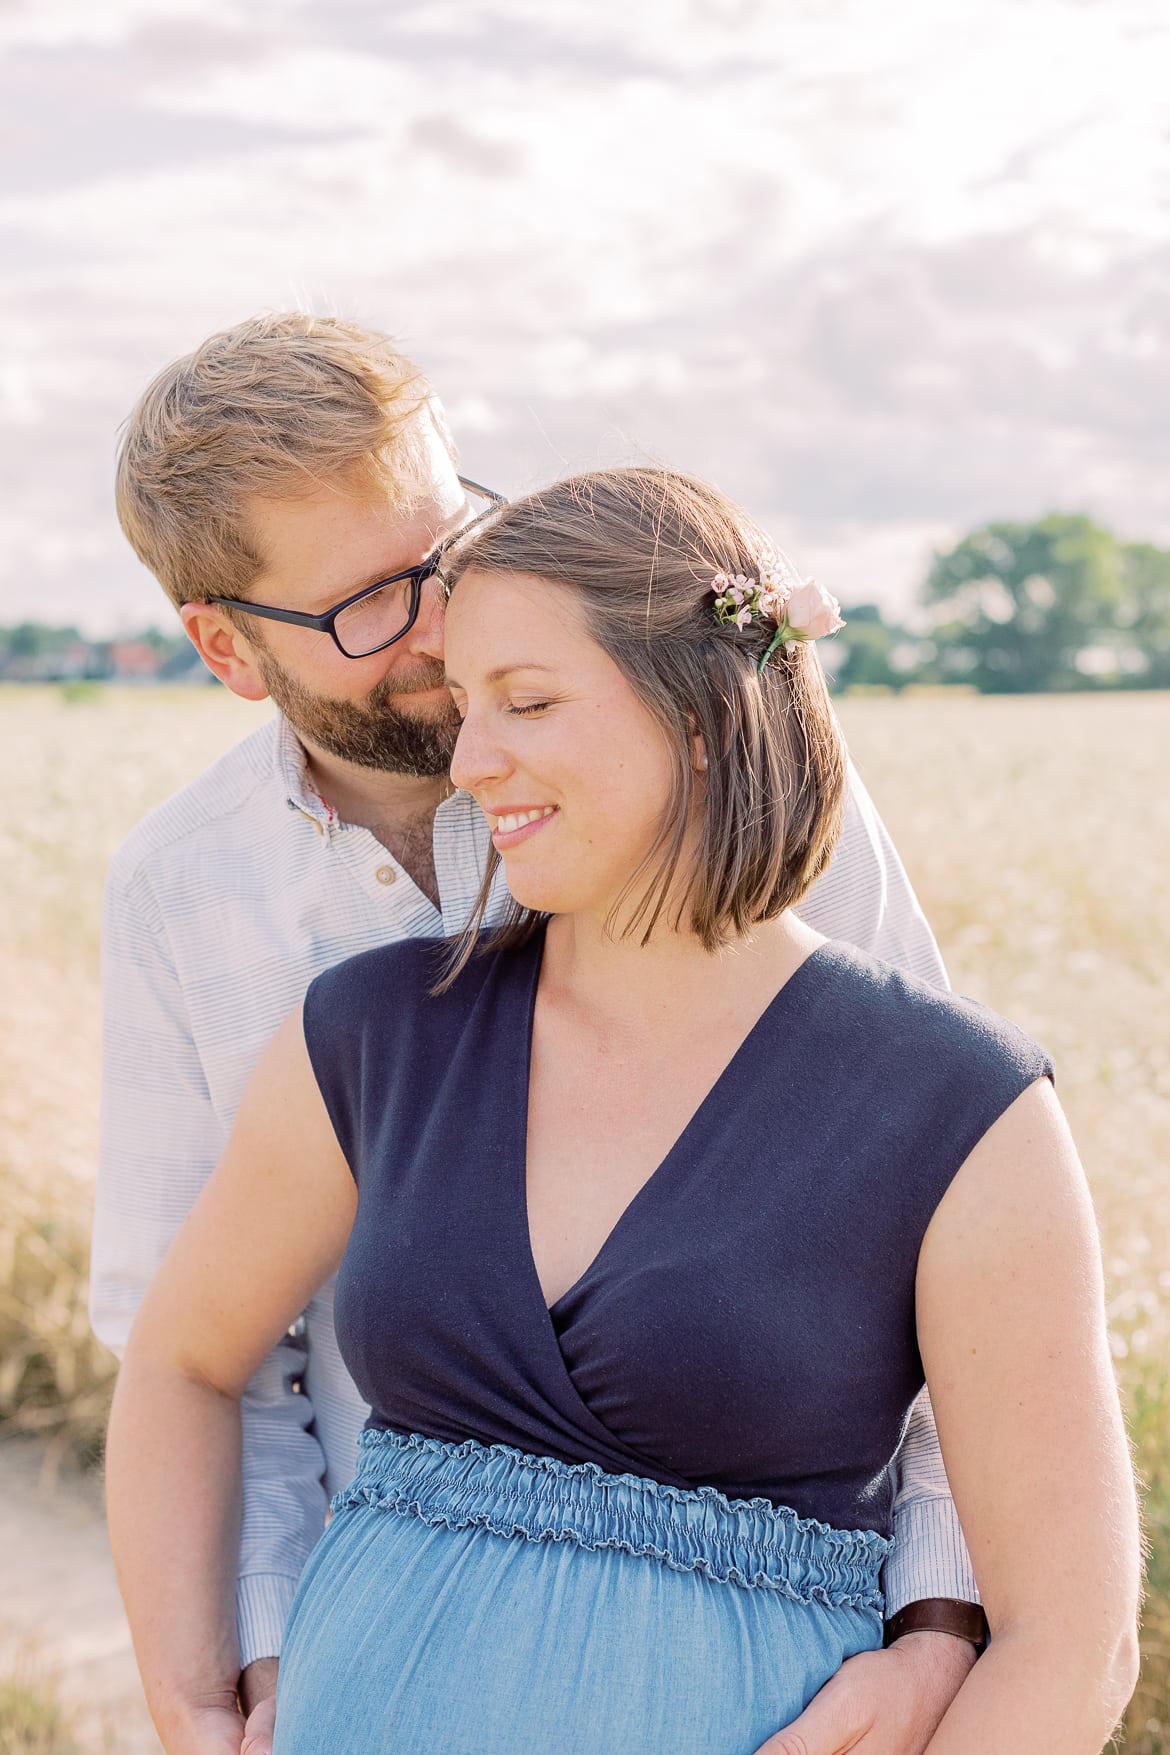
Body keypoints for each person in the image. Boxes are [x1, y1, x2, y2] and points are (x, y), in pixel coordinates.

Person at [105, 465, 1139, 1755]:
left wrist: (936, 1645)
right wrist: (192, 1694)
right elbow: (181, 1360)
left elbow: (1070, 1643)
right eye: (468, 705)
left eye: (527, 702)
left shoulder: (958, 1110)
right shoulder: (374, 1035)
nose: (470, 761)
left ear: (701, 714)